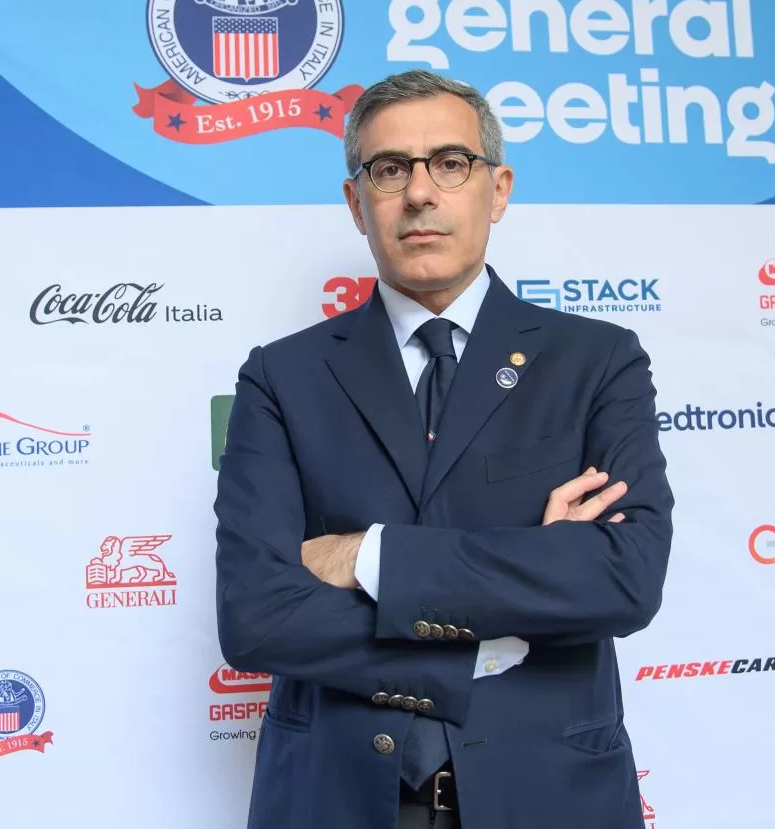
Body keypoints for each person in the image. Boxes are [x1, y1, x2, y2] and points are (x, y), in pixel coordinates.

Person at [214, 69, 674, 829]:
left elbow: (624, 578)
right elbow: (256, 615)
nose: (420, 193)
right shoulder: (282, 376)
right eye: (390, 169)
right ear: (356, 202)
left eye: (451, 163)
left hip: (548, 798)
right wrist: (488, 625)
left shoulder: (598, 360)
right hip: (334, 800)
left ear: (498, 189)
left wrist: (371, 556)